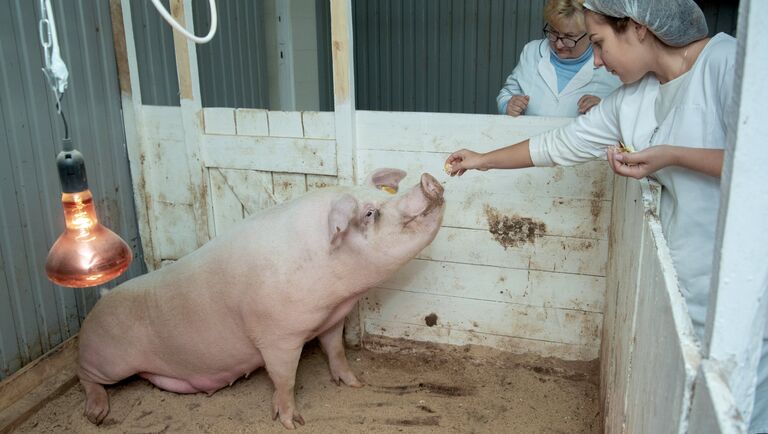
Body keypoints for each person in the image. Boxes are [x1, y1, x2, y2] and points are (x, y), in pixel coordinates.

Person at [447, 0, 767, 431]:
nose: (596, 60)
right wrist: (482, 159)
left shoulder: (727, 63)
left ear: (637, 28)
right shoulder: (632, 98)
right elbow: (559, 145)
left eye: (598, 44)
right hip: (684, 284)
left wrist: (673, 156)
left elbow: (757, 161)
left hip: (742, 297)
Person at [496, 0, 621, 117]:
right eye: (554, 32)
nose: (558, 45)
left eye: (569, 37)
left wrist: (605, 110)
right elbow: (507, 94)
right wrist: (508, 104)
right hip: (530, 138)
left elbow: (629, 116)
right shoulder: (531, 51)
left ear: (590, 34)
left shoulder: (611, 65)